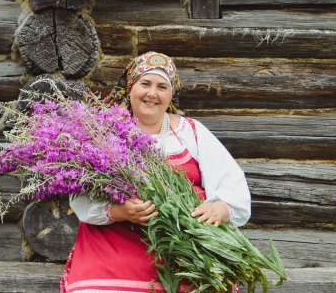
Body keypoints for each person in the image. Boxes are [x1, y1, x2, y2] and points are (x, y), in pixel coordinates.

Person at [60, 52, 251, 293]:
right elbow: (80, 197)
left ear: (171, 94)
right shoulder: (102, 133)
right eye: (145, 83)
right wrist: (121, 211)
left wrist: (218, 209)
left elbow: (231, 184)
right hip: (116, 244)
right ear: (130, 87)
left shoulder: (191, 131)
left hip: (184, 243)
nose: (152, 93)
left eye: (162, 86)